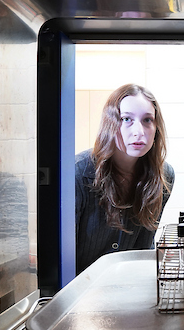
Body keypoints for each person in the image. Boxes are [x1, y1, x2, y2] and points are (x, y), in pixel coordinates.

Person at [75, 84, 175, 275]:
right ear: (110, 124)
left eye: (147, 120)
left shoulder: (164, 176)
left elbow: (142, 247)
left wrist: (157, 258)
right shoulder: (78, 173)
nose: (139, 131)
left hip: (126, 288)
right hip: (78, 292)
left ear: (156, 129)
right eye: (126, 119)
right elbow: (63, 260)